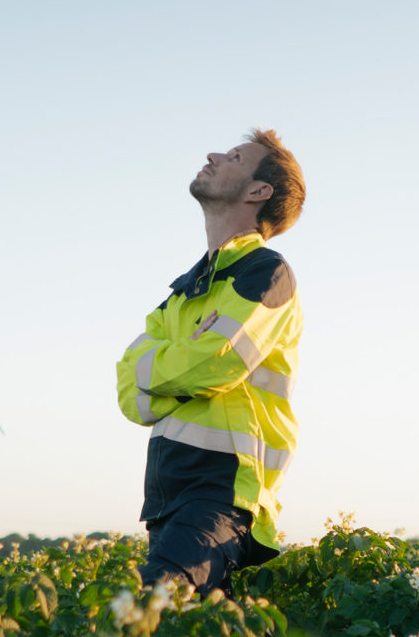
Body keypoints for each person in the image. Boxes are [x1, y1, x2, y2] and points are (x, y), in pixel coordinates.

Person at [115, 131, 305, 590]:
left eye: (235, 157)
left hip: (222, 496)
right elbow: (128, 393)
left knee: (148, 610)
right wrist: (185, 369)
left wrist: (163, 370)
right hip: (166, 497)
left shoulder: (266, 274)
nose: (213, 155)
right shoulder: (183, 291)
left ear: (259, 192)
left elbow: (213, 363)